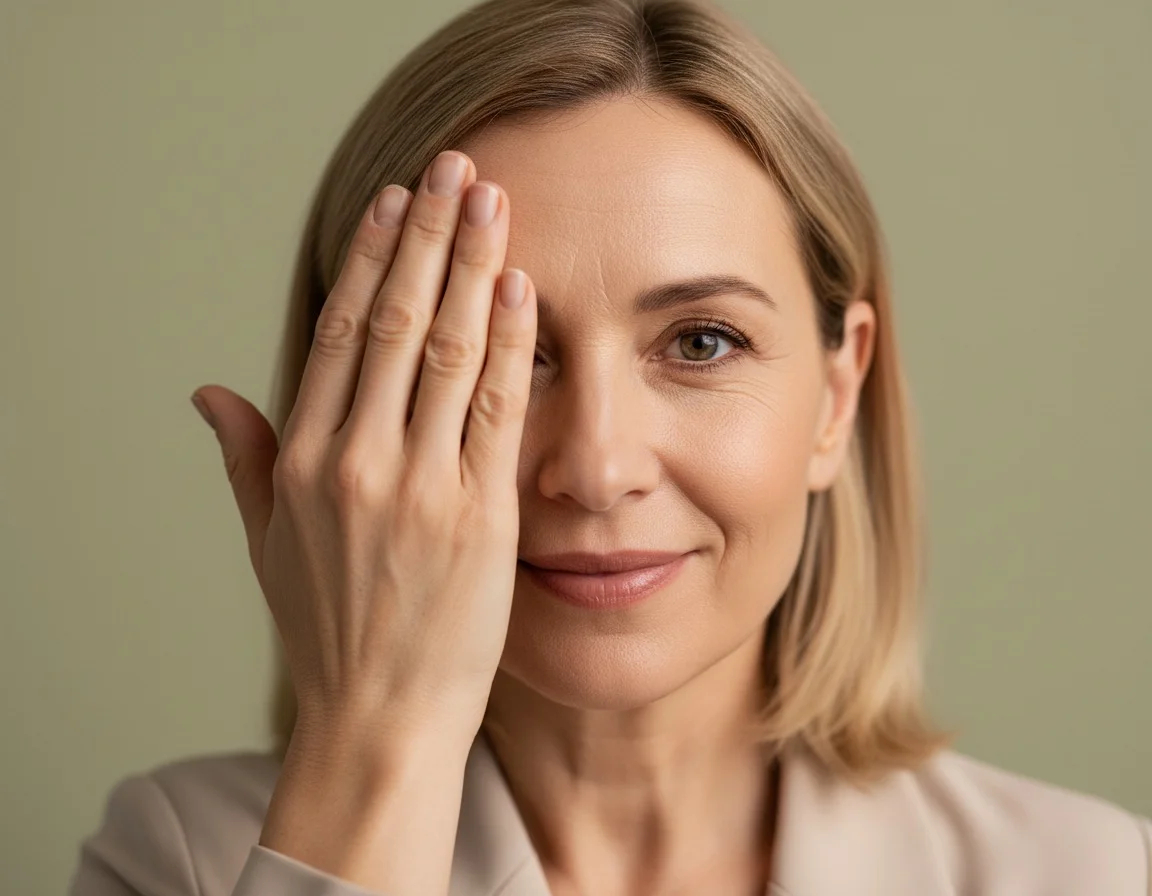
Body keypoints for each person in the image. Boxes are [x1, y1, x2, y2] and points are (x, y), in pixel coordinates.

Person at [68, 0, 1151, 894]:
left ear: (837, 391)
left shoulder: (1082, 871)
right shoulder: (180, 860)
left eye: (702, 341)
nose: (593, 466)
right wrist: (375, 741)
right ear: (356, 416)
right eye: (499, 350)